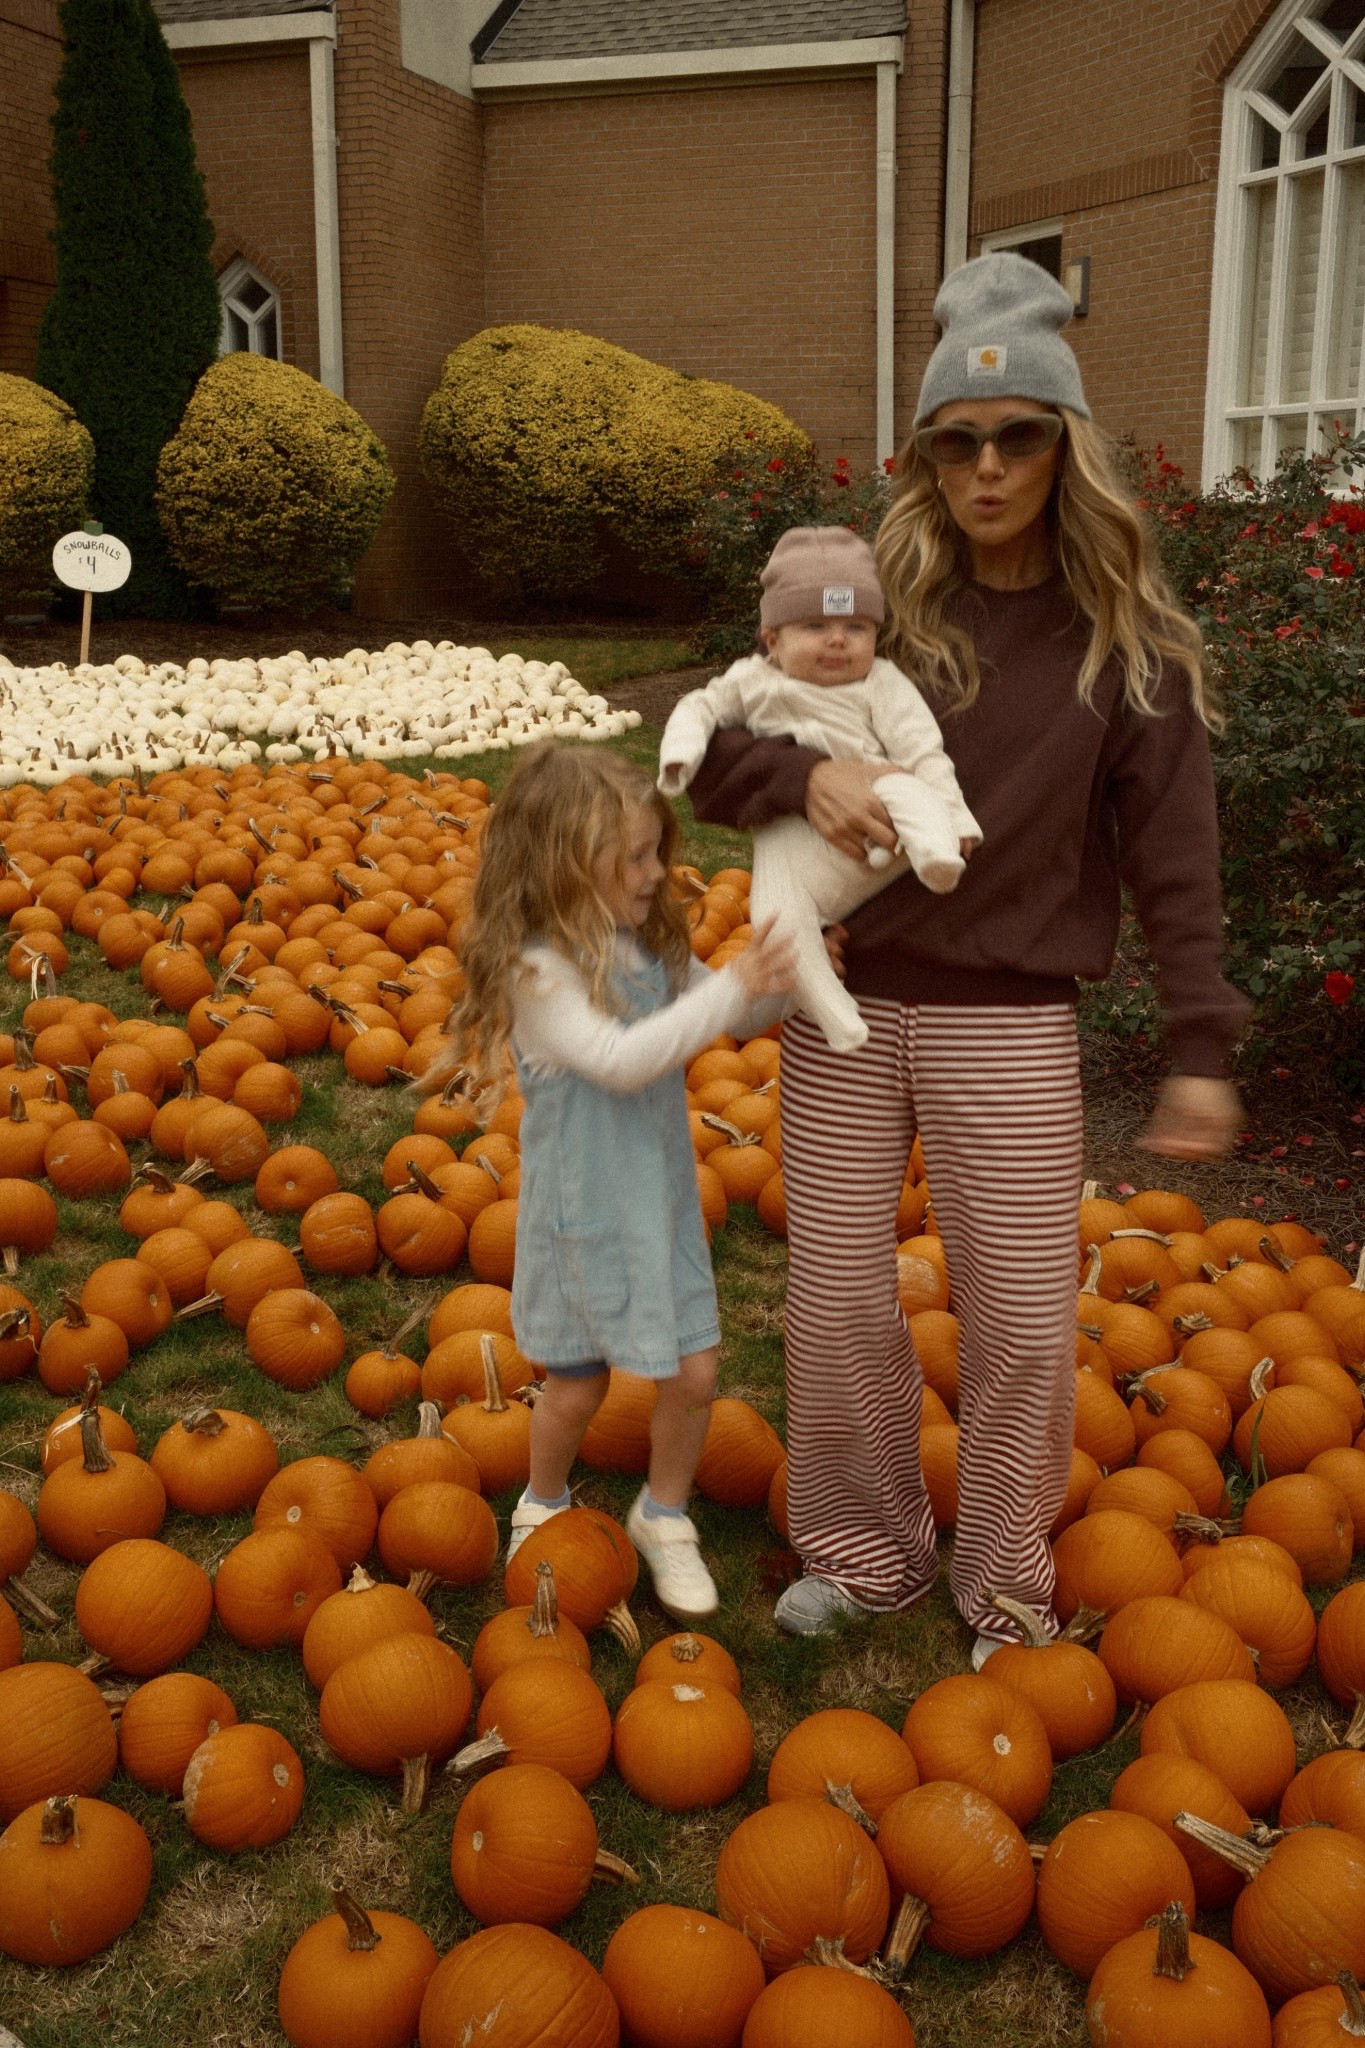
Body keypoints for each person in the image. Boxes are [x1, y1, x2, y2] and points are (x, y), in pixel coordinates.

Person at [687, 251, 1250, 1658]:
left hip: (1011, 1018)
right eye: (957, 441)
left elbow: (1178, 863)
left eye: (1018, 437)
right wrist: (794, 781)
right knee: (832, 1300)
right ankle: (866, 1550)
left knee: (1013, 1322)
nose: (987, 466)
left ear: (1067, 447)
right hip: (845, 1009)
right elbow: (713, 746)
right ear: (927, 457)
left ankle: (1003, 1584)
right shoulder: (872, 620)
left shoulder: (1128, 653)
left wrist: (1199, 1048)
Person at [442, 741, 796, 1624]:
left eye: (654, 851)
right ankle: (542, 1498)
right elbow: (622, 1060)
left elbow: (732, 1005)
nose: (654, 872)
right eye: (632, 858)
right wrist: (726, 997)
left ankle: (662, 1512)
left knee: (696, 1373)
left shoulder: (647, 947)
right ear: (564, 867)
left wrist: (788, 976)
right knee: (577, 1385)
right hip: (581, 1218)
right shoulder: (538, 973)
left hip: (661, 1206)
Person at [658, 526, 981, 1053]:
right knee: (776, 917)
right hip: (792, 839)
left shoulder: (881, 682)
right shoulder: (752, 680)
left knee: (906, 786)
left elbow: (924, 750)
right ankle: (835, 1014)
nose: (837, 639)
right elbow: (700, 708)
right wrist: (679, 755)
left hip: (880, 797)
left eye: (856, 626)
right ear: (773, 638)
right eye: (815, 625)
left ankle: (936, 855)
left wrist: (956, 818)